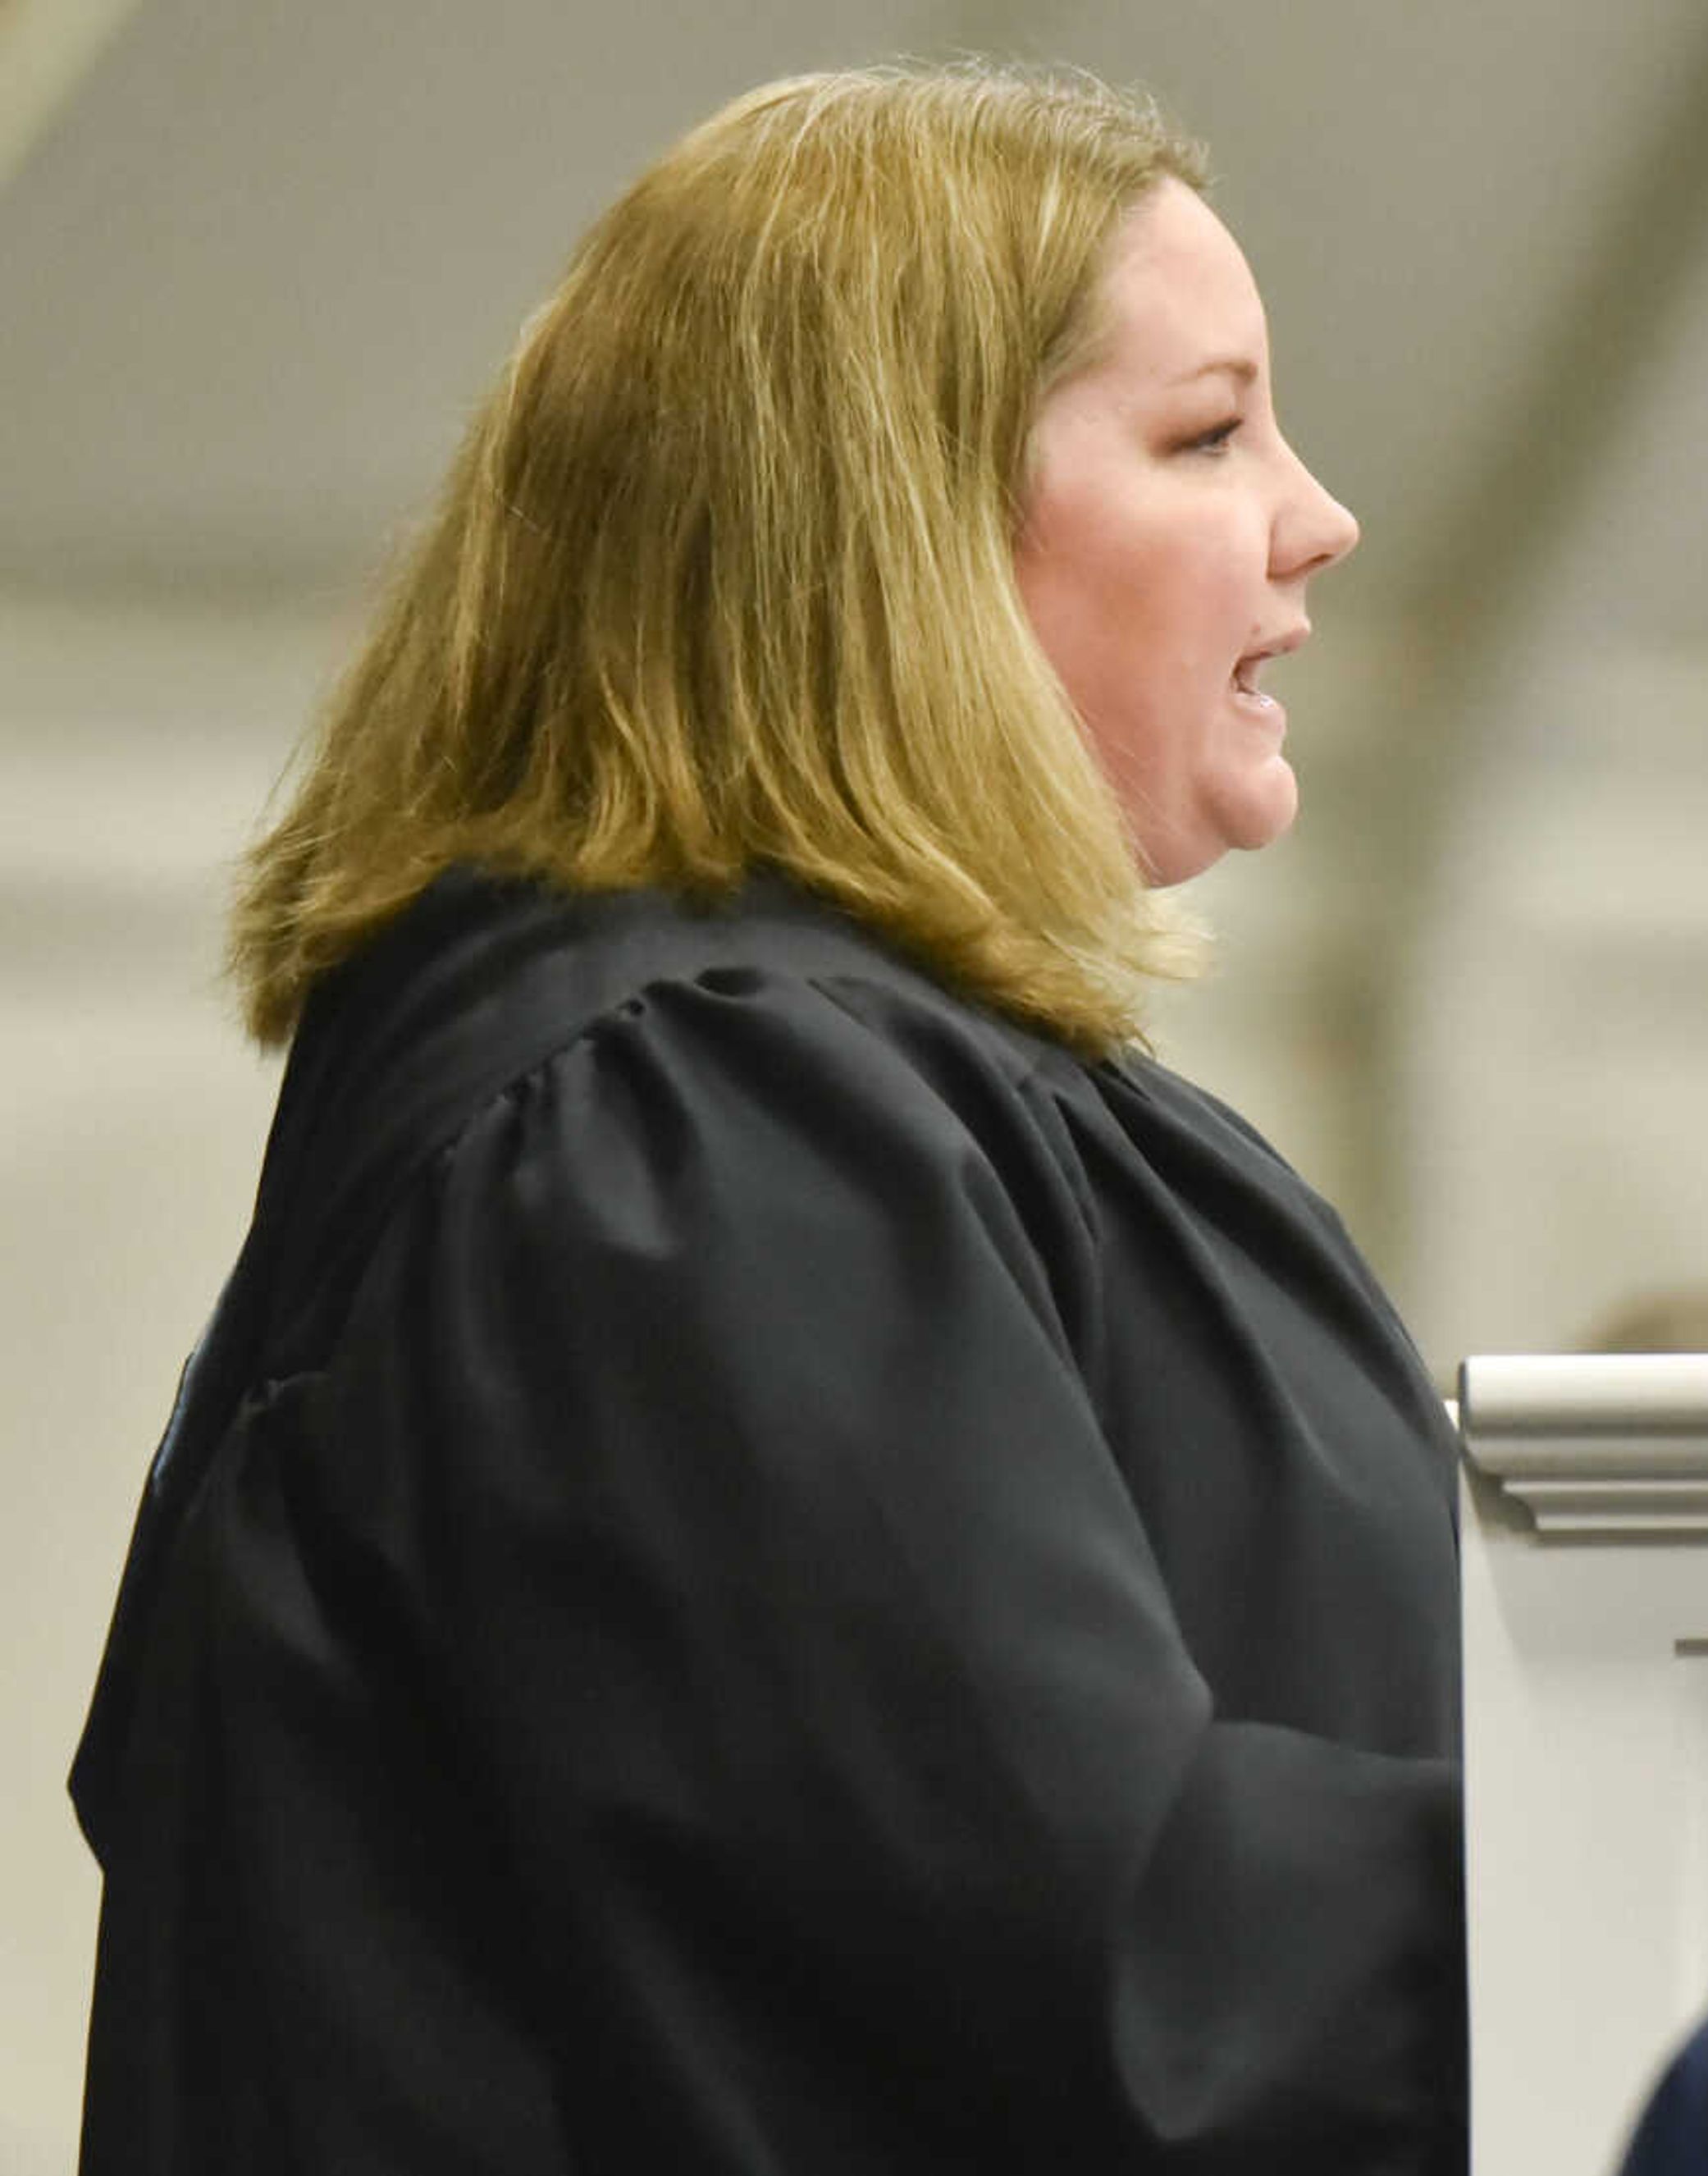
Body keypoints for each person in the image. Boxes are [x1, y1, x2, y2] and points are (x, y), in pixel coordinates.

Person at [67, 63, 1464, 2175]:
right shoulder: (691, 1128)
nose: (1318, 514)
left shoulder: (755, 1085)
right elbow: (1078, 1959)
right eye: (1207, 432)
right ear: (891, 529)